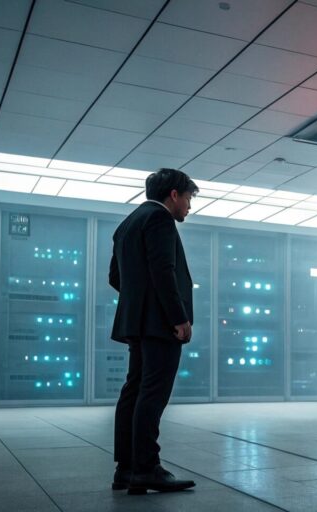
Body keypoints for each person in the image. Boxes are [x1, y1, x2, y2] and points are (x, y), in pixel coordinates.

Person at [109, 168, 198, 494]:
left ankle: (127, 469)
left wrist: (139, 302)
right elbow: (164, 270)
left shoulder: (127, 224)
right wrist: (178, 317)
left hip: (136, 322)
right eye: (188, 198)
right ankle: (147, 468)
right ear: (174, 194)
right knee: (152, 394)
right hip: (160, 325)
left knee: (134, 391)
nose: (189, 206)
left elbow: (115, 276)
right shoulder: (160, 220)